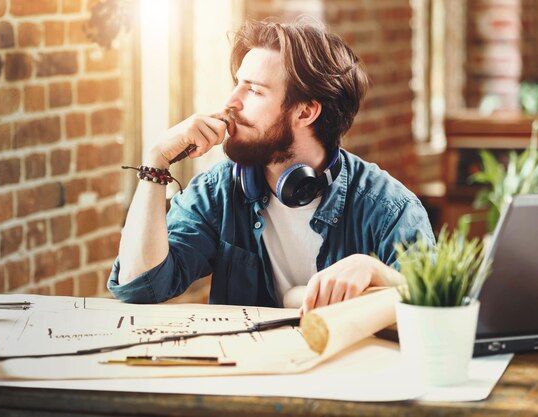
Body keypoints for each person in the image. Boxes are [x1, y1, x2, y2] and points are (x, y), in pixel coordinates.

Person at [108, 20, 435, 313]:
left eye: (254, 90)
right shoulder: (218, 191)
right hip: (248, 378)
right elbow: (140, 289)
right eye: (237, 83)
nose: (230, 102)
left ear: (305, 113)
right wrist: (156, 160)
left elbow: (436, 310)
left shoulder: (389, 207)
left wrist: (376, 272)